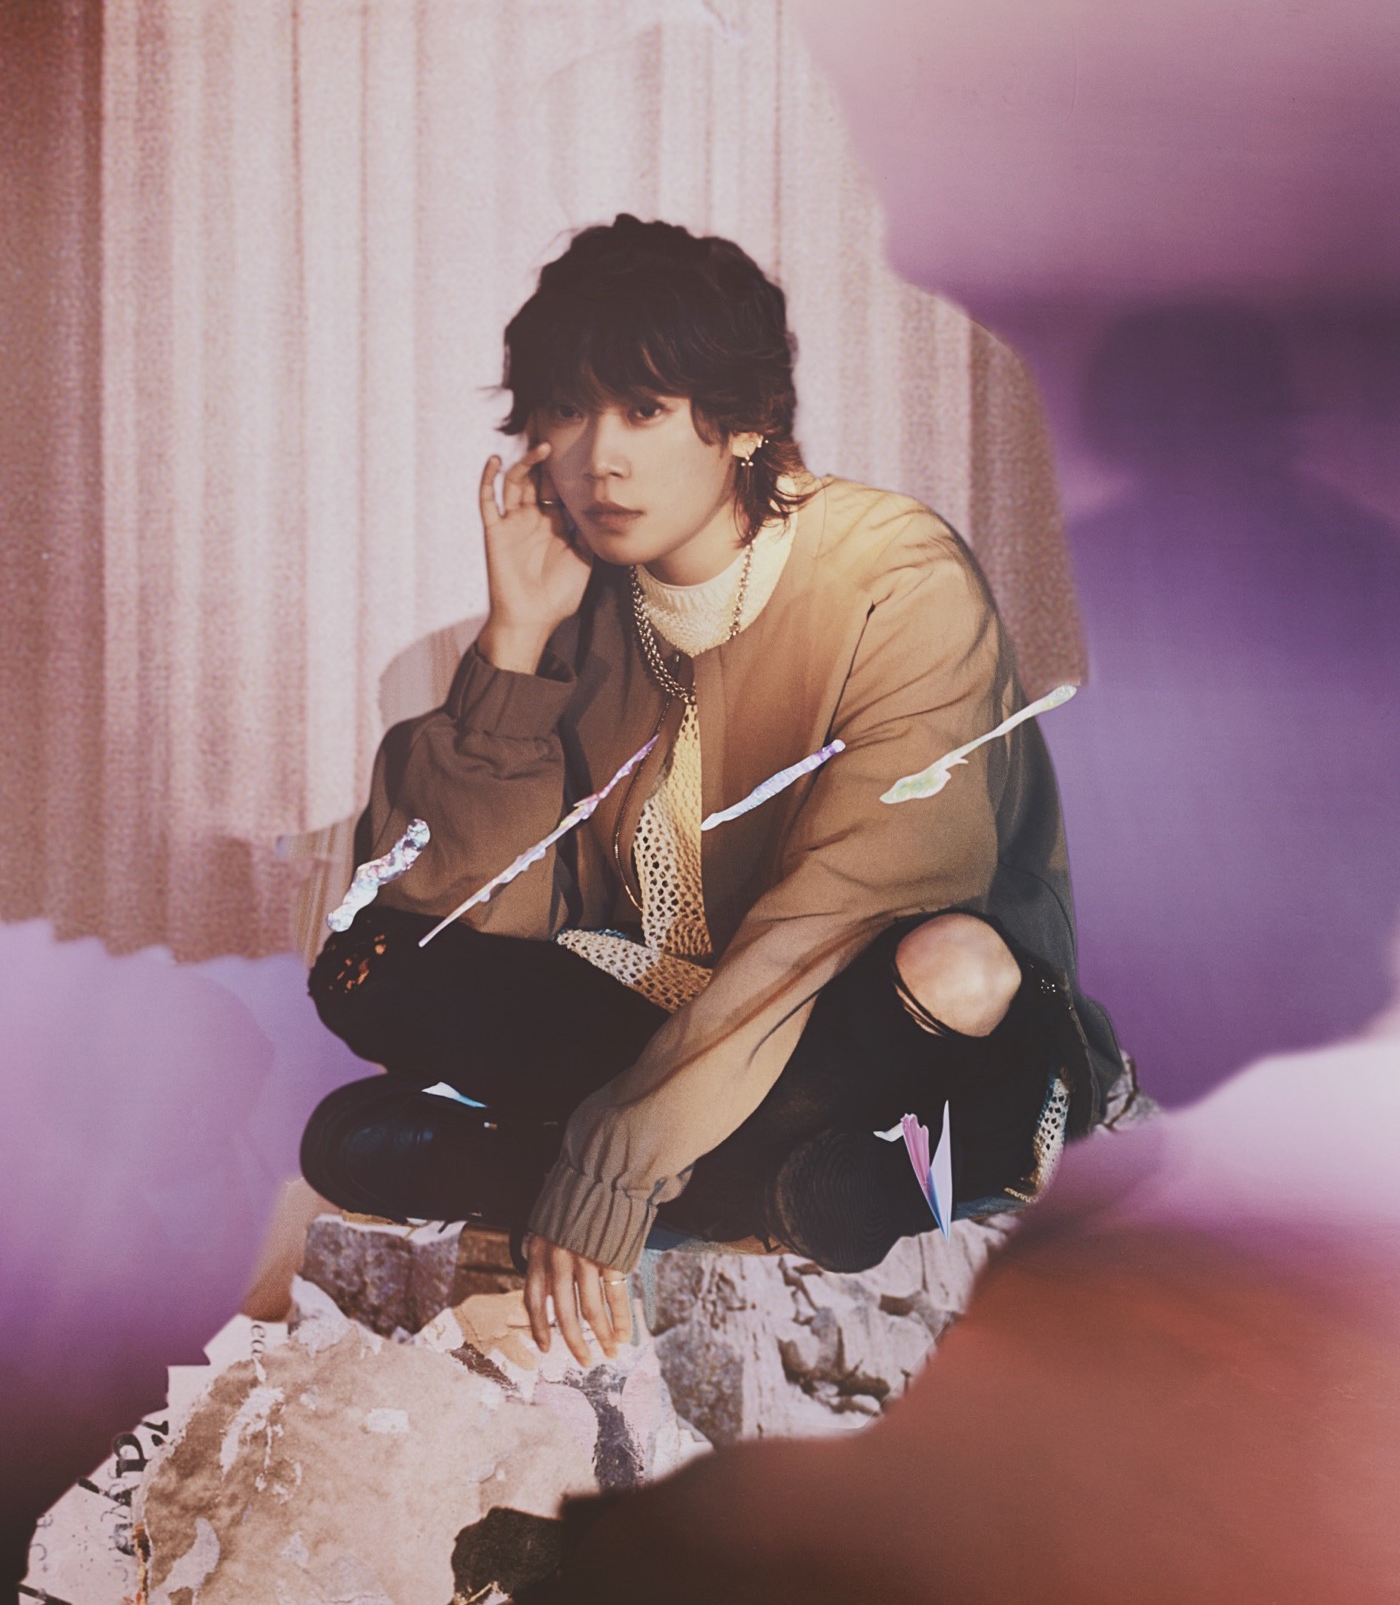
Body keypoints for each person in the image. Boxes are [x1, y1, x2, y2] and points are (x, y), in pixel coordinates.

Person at [299, 214, 1122, 1367]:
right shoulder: (588, 604)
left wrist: (611, 1163)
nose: (597, 458)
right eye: (566, 410)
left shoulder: (893, 573)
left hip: (855, 1005)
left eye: (641, 409)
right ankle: (793, 1189)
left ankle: (948, 1127)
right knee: (371, 963)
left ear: (743, 421)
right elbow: (471, 910)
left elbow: (845, 908)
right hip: (671, 1016)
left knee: (951, 965)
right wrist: (516, 646)